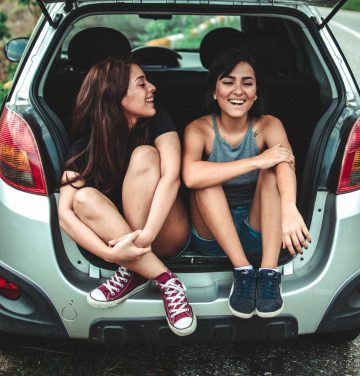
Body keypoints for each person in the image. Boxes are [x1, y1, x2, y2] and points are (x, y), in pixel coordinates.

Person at [58, 56, 196, 336]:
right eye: (142, 83)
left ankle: (134, 269)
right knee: (82, 199)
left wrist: (144, 239)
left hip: (166, 231)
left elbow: (172, 178)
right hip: (122, 244)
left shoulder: (160, 121)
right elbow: (65, 214)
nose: (152, 88)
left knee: (145, 155)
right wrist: (111, 253)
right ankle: (165, 280)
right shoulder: (86, 143)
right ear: (116, 95)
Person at [182, 48, 311, 319]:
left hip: (260, 233)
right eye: (228, 82)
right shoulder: (198, 129)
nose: (237, 91)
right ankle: (242, 271)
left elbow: (286, 163)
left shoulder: (269, 124)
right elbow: (191, 176)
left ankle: (267, 272)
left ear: (256, 94)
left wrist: (289, 209)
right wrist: (256, 161)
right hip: (212, 236)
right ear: (214, 92)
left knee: (273, 171)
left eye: (247, 83)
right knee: (206, 179)